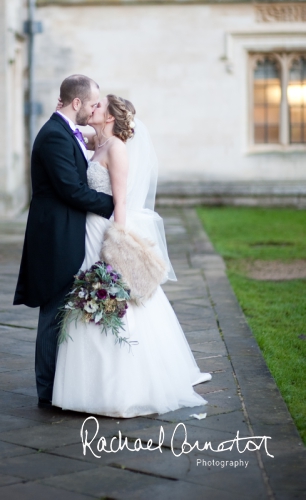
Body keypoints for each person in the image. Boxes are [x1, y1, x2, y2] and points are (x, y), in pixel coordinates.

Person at [52, 95, 210, 417]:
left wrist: (116, 248)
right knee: (86, 298)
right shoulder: (95, 142)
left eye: (98, 106)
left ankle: (126, 387)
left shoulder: (117, 150)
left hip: (106, 232)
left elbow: (120, 202)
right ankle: (86, 386)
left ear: (110, 117)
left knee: (116, 299)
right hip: (85, 231)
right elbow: (72, 134)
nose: (92, 108)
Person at [13, 74, 115, 409]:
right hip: (55, 238)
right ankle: (47, 392)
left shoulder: (64, 131)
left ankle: (62, 386)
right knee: (53, 314)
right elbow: (71, 189)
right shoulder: (55, 136)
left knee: (62, 314)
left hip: (68, 234)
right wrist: (112, 205)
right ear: (76, 103)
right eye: (91, 104)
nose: (94, 109)